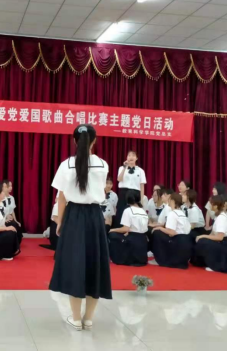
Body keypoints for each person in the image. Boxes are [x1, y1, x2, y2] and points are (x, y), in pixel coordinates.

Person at [50, 124, 112, 331]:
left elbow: (61, 197)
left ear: (74, 141)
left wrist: (60, 222)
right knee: (95, 264)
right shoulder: (103, 165)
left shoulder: (66, 165)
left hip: (74, 216)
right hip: (95, 217)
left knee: (74, 264)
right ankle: (88, 319)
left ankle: (76, 319)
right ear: (94, 141)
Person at [193, 195, 227, 273]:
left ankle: (217, 266)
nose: (209, 205)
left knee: (204, 241)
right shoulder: (218, 217)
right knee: (202, 240)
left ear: (216, 206)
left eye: (211, 203)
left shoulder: (221, 218)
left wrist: (203, 236)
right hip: (223, 242)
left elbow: (219, 237)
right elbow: (212, 234)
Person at [151, 193, 192, 269]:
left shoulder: (172, 213)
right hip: (186, 241)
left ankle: (160, 259)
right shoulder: (182, 213)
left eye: (169, 199)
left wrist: (160, 228)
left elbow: (172, 232)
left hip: (177, 242)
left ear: (173, 201)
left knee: (157, 233)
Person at [108, 191, 149, 266]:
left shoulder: (128, 210)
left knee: (112, 235)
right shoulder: (143, 211)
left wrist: (112, 229)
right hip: (142, 239)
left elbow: (125, 229)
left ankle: (117, 256)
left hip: (132, 239)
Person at [115, 150, 146, 229]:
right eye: (129, 155)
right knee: (121, 211)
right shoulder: (121, 168)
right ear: (126, 157)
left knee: (133, 211)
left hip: (135, 193)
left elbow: (142, 186)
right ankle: (120, 229)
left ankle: (133, 230)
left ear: (136, 158)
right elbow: (119, 179)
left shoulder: (141, 171)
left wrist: (141, 200)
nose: (131, 157)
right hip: (123, 192)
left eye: (133, 155)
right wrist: (124, 167)